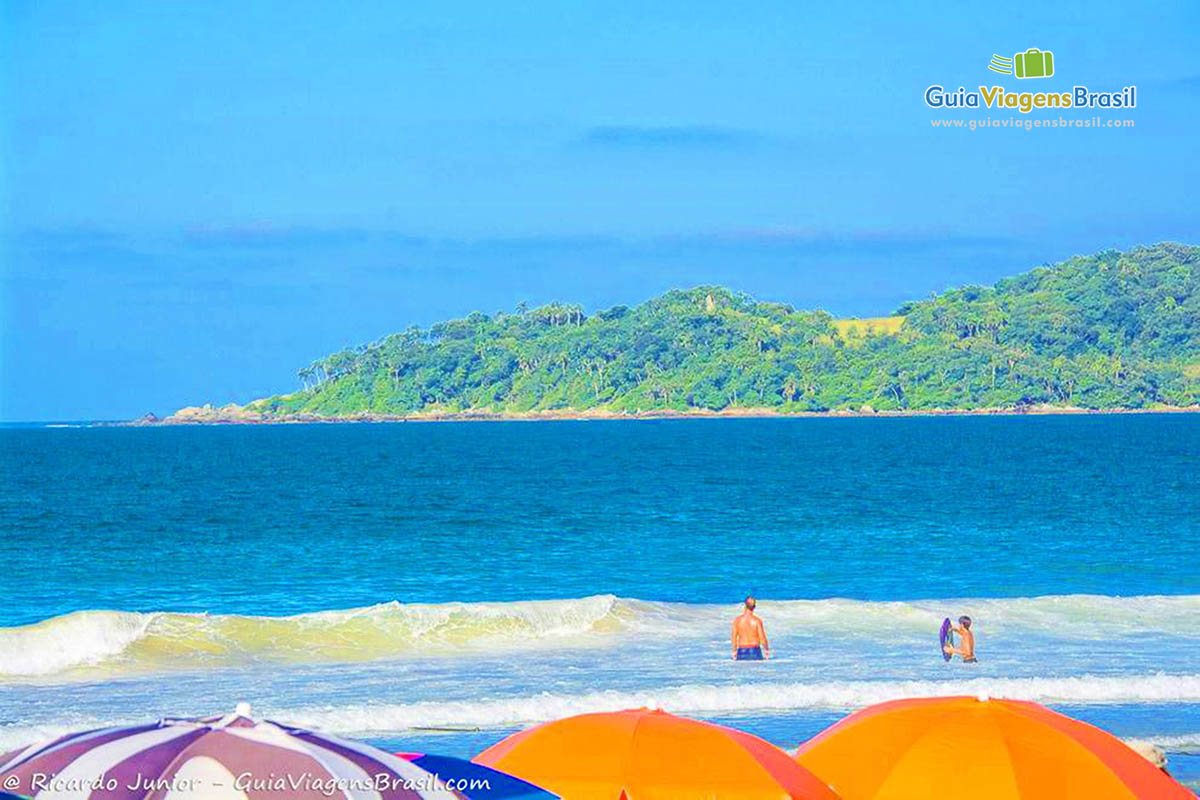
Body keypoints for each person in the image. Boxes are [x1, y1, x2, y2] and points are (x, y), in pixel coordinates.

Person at [731, 596, 770, 660]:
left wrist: (734, 651)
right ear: (754, 606)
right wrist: (766, 650)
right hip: (754, 650)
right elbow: (762, 637)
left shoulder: (737, 620)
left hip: (741, 651)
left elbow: (734, 637)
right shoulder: (757, 621)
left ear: (745, 605)